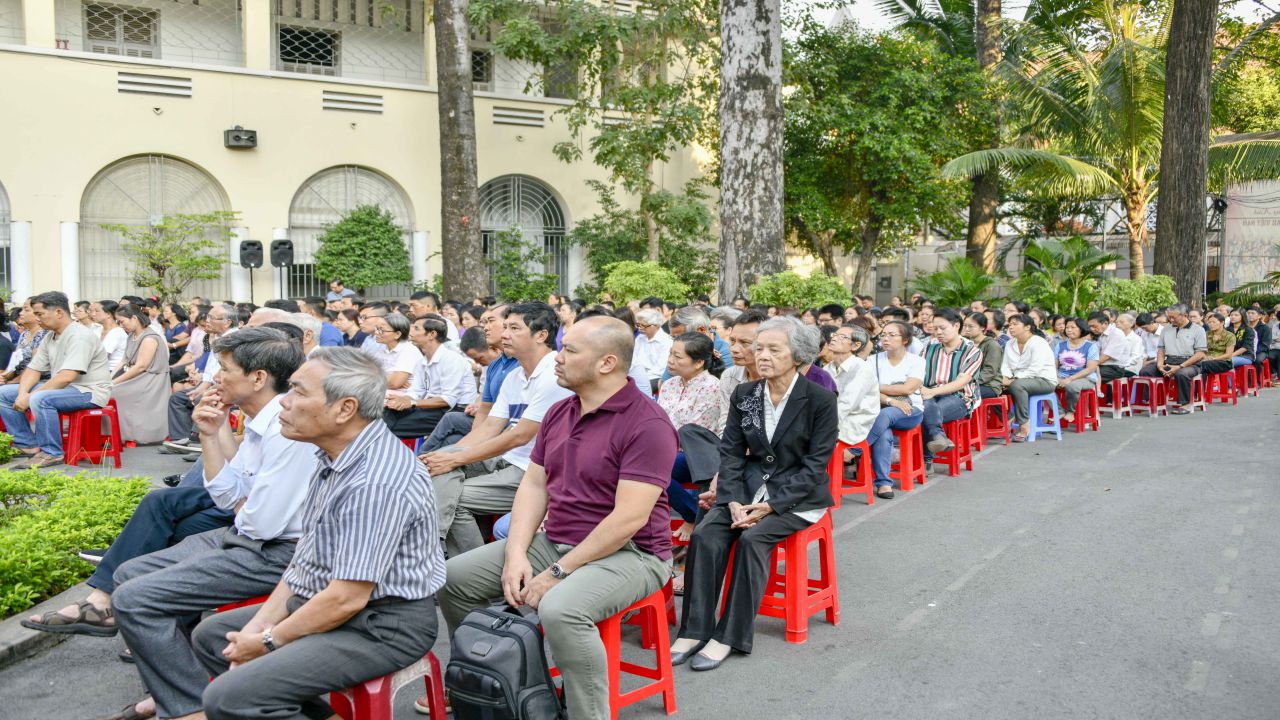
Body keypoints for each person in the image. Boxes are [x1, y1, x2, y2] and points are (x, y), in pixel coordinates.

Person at [34, 328, 313, 720]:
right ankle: (178, 696)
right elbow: (231, 497)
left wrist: (244, 502)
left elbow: (259, 521)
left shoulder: (285, 428)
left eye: (225, 368)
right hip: (247, 536)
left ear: (258, 378)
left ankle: (188, 707)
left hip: (278, 552)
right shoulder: (257, 421)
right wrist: (210, 434)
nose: (215, 375)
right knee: (129, 573)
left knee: (135, 598)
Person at [437, 316, 673, 720]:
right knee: (452, 579)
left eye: (569, 350)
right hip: (558, 540)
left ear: (607, 363)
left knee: (561, 610)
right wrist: (515, 554)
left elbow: (627, 519)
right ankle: (494, 678)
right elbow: (533, 487)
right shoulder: (560, 411)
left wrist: (556, 573)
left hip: (632, 553)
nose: (558, 359)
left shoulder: (647, 423)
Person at [191, 347, 445, 720]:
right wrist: (259, 626)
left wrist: (265, 640)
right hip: (337, 603)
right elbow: (305, 561)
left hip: (383, 625)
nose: (284, 404)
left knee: (229, 698)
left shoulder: (375, 482)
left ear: (345, 409)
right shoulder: (333, 456)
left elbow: (346, 599)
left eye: (297, 392)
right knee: (215, 638)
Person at [671, 316, 837, 671]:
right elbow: (730, 451)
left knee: (752, 541)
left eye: (773, 349)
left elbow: (816, 465)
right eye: (758, 348)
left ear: (798, 355)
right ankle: (695, 628)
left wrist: (771, 506)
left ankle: (728, 635)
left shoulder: (820, 399)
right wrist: (730, 497)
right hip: (747, 487)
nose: (762, 355)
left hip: (798, 496)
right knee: (706, 534)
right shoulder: (746, 394)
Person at [421, 302, 572, 556]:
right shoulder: (514, 376)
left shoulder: (552, 376)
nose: (504, 335)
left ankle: (468, 570)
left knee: (453, 499)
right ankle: (433, 546)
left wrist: (456, 457)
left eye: (514, 328)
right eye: (506, 327)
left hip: (531, 471)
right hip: (503, 460)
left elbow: (520, 435)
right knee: (435, 469)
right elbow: (490, 425)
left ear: (541, 335)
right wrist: (448, 455)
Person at [0, 292, 111, 469]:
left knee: (39, 398)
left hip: (88, 391)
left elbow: (67, 376)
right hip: (64, 388)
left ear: (59, 312)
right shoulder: (50, 336)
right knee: (4, 394)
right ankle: (28, 445)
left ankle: (52, 452)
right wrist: (22, 393)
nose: (37, 319)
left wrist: (30, 396)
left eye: (40, 314)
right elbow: (33, 369)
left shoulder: (79, 336)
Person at [418, 305, 518, 455]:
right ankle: (421, 464)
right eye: (484, 322)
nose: (485, 327)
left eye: (490, 321)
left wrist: (470, 452)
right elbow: (485, 404)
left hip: (506, 431)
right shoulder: (496, 365)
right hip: (489, 425)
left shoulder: (523, 364)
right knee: (451, 440)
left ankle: (418, 463)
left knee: (451, 420)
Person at [658, 332, 722, 564]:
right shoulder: (669, 385)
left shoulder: (712, 387)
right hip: (668, 451)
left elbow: (694, 434)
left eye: (678, 356)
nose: (670, 360)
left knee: (656, 470)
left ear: (699, 363)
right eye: (670, 354)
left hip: (697, 455)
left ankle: (692, 514)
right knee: (640, 470)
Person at [383, 314, 477, 440]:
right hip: (430, 407)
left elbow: (447, 400)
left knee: (390, 427)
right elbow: (416, 391)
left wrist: (411, 402)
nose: (411, 332)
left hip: (453, 411)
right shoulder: (422, 362)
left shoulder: (451, 360)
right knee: (387, 411)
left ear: (432, 334)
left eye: (416, 328)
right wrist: (402, 400)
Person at [161, 304, 236, 453]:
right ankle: (180, 440)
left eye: (212, 318)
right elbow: (210, 367)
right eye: (208, 317)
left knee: (202, 397)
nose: (208, 321)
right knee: (178, 398)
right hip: (212, 382)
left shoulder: (233, 339)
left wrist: (204, 388)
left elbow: (226, 370)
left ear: (227, 322)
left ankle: (199, 443)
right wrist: (202, 386)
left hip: (226, 385)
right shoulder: (215, 337)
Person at [865, 320, 926, 499]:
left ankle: (856, 450)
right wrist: (891, 400)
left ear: (905, 339)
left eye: (892, 335)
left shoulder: (916, 361)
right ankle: (884, 483)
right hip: (882, 408)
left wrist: (879, 387)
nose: (886, 338)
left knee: (885, 415)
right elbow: (867, 390)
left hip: (911, 409)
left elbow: (908, 389)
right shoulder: (872, 360)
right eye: (884, 334)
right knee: (884, 431)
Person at [919, 309, 982, 461]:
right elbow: (916, 374)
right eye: (935, 329)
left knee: (929, 412)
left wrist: (932, 392)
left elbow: (961, 382)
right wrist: (923, 389)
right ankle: (939, 437)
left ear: (956, 326)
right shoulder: (929, 348)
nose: (938, 332)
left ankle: (927, 459)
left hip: (958, 398)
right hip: (928, 395)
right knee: (926, 407)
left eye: (942, 328)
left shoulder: (972, 351)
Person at [111, 304, 170, 444]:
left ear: (134, 318)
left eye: (122, 321)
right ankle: (114, 434)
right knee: (106, 389)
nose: (120, 325)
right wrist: (109, 378)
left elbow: (141, 366)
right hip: (138, 377)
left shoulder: (149, 337)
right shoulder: (131, 336)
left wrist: (113, 382)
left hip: (151, 379)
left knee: (112, 392)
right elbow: (124, 360)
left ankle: (121, 434)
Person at [831, 325, 880, 481]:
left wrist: (820, 424)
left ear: (855, 345)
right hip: (836, 417)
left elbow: (846, 404)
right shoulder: (828, 368)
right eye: (834, 335)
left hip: (856, 420)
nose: (834, 338)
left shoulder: (862, 368)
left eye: (842, 337)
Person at [1138, 303, 1206, 415]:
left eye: (1173, 317)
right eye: (1169, 317)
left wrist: (1180, 366)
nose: (1171, 319)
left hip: (1190, 363)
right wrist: (1160, 364)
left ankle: (1185, 404)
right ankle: (1151, 401)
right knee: (1146, 371)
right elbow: (1161, 349)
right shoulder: (1166, 329)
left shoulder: (1198, 330)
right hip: (1169, 360)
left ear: (1185, 315)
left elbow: (1200, 354)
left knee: (1182, 373)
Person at [1001, 313, 1058, 441]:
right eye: (1010, 324)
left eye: (1015, 324)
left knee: (1017, 386)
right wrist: (1004, 378)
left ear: (1027, 327)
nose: (1011, 327)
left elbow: (1035, 369)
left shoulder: (1038, 343)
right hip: (1018, 380)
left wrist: (1012, 380)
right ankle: (1008, 417)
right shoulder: (1010, 343)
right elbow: (1006, 366)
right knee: (992, 386)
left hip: (1043, 380)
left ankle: (1024, 425)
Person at [717, 310, 767, 434]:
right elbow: (725, 422)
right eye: (732, 341)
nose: (734, 349)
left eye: (745, 343)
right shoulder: (729, 376)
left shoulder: (778, 379)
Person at [1053, 317, 1100, 424]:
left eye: (1073, 327)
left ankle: (1070, 411)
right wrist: (1056, 378)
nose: (1069, 330)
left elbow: (1090, 368)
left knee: (1072, 386)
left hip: (1085, 378)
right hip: (1061, 376)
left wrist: (1070, 379)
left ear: (1082, 329)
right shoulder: (1060, 345)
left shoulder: (1091, 346)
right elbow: (1054, 365)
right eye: (1067, 327)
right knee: (1045, 385)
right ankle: (1060, 411)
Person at [367, 312, 422, 394]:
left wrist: (375, 377)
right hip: (382, 392)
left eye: (381, 330)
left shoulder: (409, 351)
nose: (376, 333)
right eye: (376, 328)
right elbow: (366, 373)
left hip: (402, 397)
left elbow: (394, 383)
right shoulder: (381, 348)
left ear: (397, 334)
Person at [963, 312, 1003, 399]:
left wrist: (968, 381)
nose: (966, 329)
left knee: (959, 393)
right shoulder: (965, 343)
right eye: (965, 325)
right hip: (967, 382)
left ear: (982, 327)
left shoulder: (992, 345)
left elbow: (990, 371)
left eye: (970, 326)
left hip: (989, 385)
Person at [633, 308, 673, 394]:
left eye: (643, 325)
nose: (639, 328)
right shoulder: (640, 338)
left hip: (654, 377)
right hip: (638, 374)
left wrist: (641, 379)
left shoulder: (666, 341)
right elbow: (634, 359)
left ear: (656, 325)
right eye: (638, 325)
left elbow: (659, 369)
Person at [1087, 311, 1132, 383]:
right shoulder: (1101, 334)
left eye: (1094, 326)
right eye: (1090, 327)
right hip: (1101, 366)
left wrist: (1087, 366)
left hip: (1114, 368)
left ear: (1105, 323)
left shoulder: (1116, 333)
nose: (1092, 329)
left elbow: (1105, 357)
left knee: (1086, 374)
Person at [93, 299, 128, 372]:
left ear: (108, 314)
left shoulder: (117, 333)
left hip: (113, 371)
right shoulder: (97, 330)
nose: (93, 314)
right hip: (99, 369)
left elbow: (100, 357)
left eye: (97, 311)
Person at [1115, 313, 1147, 377]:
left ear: (1131, 323)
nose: (1118, 324)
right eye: (1116, 322)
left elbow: (1134, 358)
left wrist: (1120, 365)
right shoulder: (1115, 337)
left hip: (1130, 368)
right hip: (1115, 367)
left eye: (1121, 322)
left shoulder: (1136, 339)